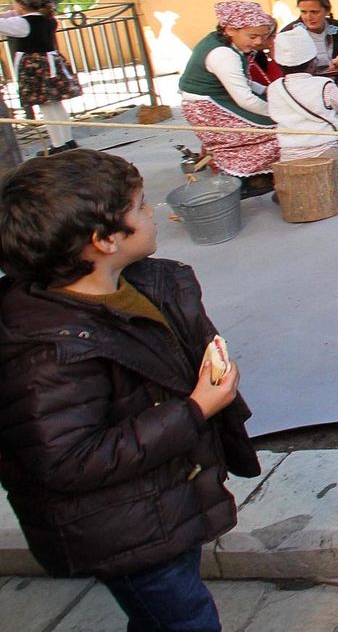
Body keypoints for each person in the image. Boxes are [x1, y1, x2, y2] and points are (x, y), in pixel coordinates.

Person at [0, 149, 258, 630]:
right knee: (186, 621)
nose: (154, 211)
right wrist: (198, 408)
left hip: (162, 502)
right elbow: (68, 459)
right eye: (140, 207)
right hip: (121, 529)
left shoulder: (142, 283)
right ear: (103, 241)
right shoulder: (46, 353)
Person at [178, 0, 280, 191]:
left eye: (262, 36)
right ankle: (243, 175)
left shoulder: (226, 43)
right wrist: (278, 113)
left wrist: (267, 90)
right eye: (253, 36)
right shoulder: (223, 54)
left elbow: (242, 81)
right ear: (231, 30)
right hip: (208, 110)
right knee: (280, 131)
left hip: (217, 100)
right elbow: (245, 99)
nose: (258, 42)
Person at [266, 28, 338, 189]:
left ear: (280, 64)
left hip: (289, 155)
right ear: (312, 63)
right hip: (324, 151)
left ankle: (295, 187)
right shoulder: (323, 85)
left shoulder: (273, 88)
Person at [1, 0, 83, 154]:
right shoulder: (49, 19)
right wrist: (14, 12)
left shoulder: (22, 23)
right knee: (56, 105)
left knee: (46, 107)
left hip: (35, 68)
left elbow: (4, 24)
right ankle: (67, 140)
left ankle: (58, 145)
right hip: (51, 63)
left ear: (22, 6)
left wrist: (12, 13)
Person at [280, 0, 338, 69]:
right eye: (304, 12)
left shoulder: (337, 27)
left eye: (314, 12)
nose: (309, 17)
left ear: (327, 10)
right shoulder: (290, 33)